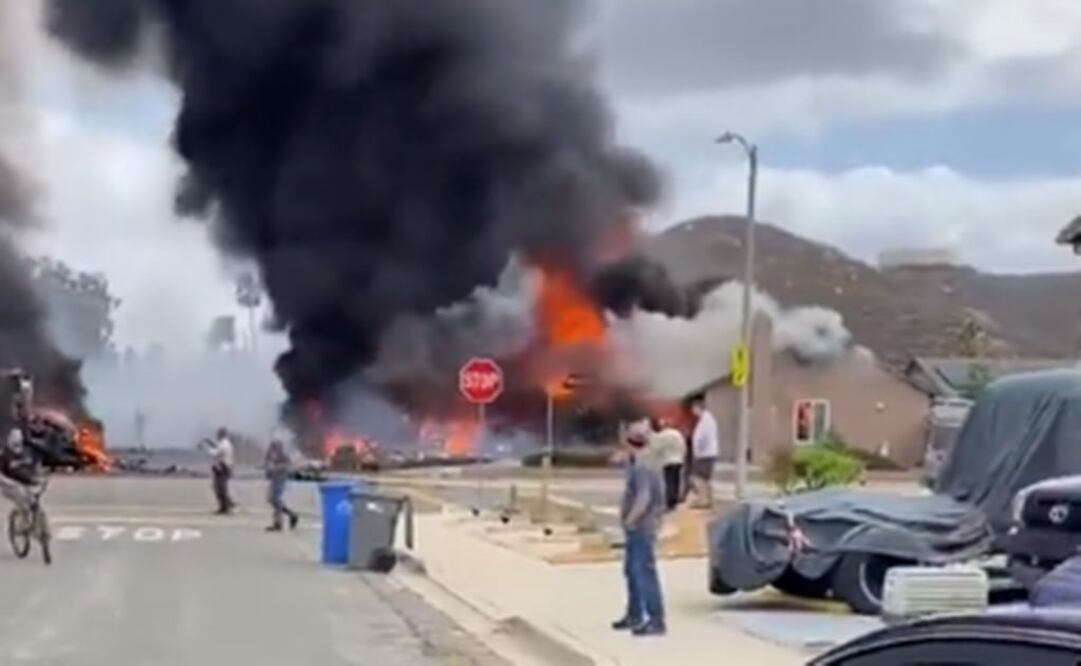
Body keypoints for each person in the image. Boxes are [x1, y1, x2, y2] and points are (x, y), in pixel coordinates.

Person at [612, 428, 667, 637]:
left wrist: (631, 519)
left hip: (642, 527)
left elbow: (644, 497)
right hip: (637, 527)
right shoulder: (639, 462)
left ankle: (656, 619)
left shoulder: (644, 466)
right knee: (632, 571)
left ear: (629, 444)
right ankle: (634, 614)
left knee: (644, 572)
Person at [688, 395, 719, 509]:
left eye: (693, 408)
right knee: (705, 478)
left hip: (704, 454)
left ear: (698, 408)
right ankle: (708, 499)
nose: (692, 411)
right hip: (707, 453)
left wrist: (699, 449)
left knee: (696, 477)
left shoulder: (706, 420)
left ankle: (703, 499)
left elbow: (704, 437)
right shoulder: (705, 419)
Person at [650, 419, 687, 511]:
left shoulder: (662, 436)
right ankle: (675, 499)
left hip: (667, 461)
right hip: (678, 460)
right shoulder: (678, 434)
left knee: (669, 481)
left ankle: (669, 502)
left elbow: (656, 449)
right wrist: (682, 456)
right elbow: (683, 447)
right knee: (676, 481)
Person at [264, 439, 299, 532]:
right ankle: (292, 515)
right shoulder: (269, 455)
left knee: (276, 499)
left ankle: (278, 523)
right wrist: (268, 471)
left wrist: (276, 468)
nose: (272, 449)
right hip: (274, 478)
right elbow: (267, 466)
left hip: (280, 478)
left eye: (274, 447)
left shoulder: (283, 456)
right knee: (272, 499)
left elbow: (288, 466)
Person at [204, 427, 235, 515]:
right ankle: (226, 505)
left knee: (220, 488)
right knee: (219, 487)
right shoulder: (225, 443)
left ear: (221, 434)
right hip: (224, 467)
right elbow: (217, 450)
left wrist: (206, 448)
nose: (216, 435)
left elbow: (216, 452)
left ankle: (225, 507)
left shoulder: (224, 444)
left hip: (223, 468)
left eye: (218, 434)